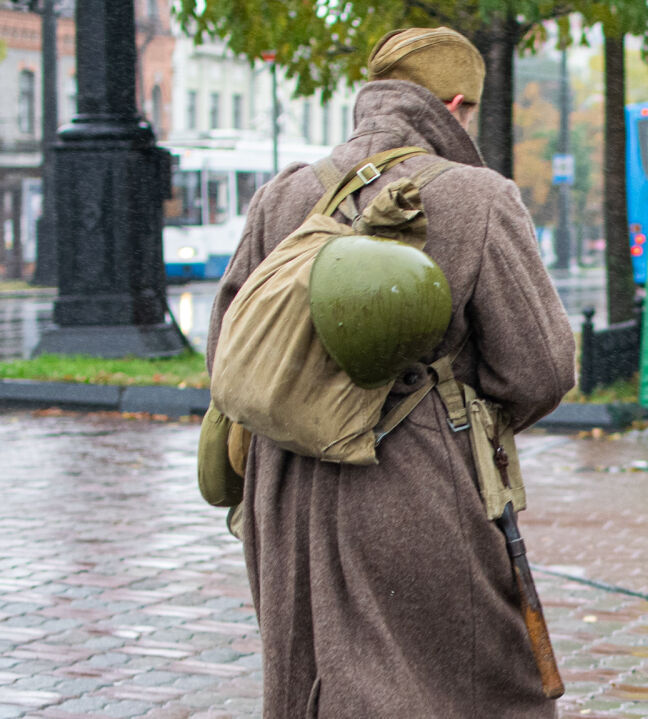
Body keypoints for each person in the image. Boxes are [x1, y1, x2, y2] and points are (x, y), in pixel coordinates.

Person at [206, 27, 576, 718]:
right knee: (468, 684)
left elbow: (226, 351)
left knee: (314, 680)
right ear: (457, 104)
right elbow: (542, 368)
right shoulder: (477, 197)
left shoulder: (282, 197)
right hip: (414, 480)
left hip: (283, 492)